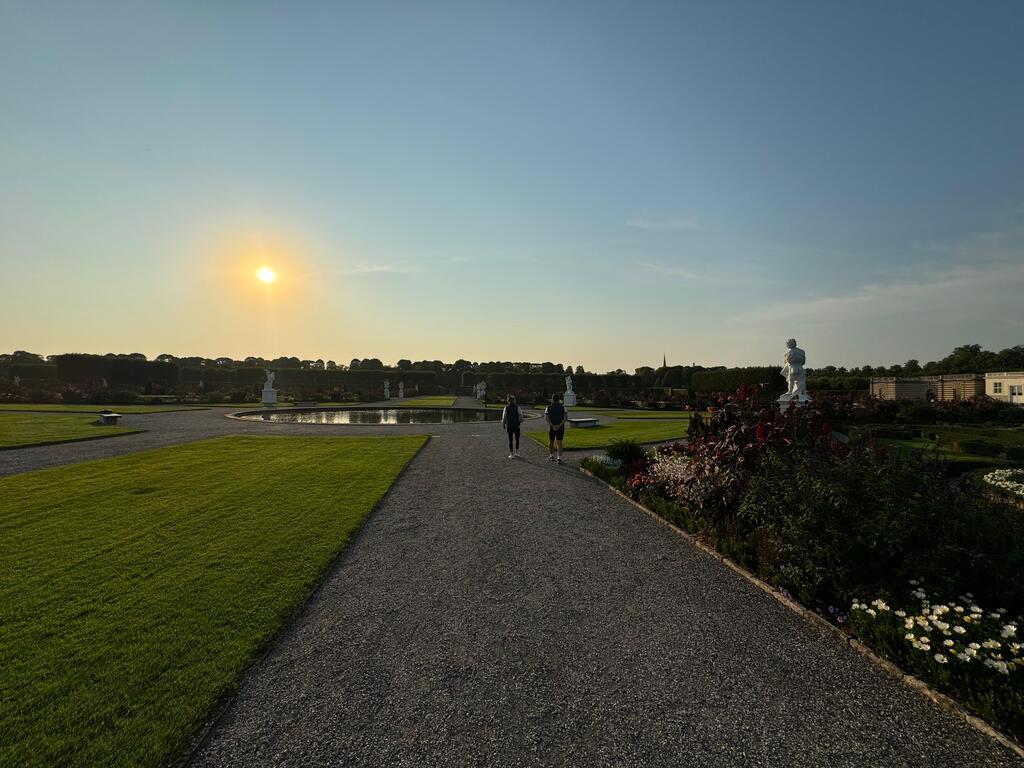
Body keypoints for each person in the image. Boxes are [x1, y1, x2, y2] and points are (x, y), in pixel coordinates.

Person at [544, 393, 567, 464]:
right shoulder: (563, 407)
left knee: (551, 441)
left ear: (552, 399)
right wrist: (559, 426)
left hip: (551, 428)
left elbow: (547, 418)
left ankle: (551, 456)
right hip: (560, 428)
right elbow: (565, 418)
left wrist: (553, 426)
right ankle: (559, 458)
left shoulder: (548, 408)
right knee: (559, 442)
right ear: (558, 399)